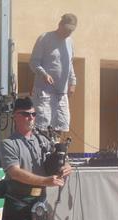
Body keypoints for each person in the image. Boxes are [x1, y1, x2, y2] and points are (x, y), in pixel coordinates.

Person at [29, 13, 78, 141]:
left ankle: (56, 150)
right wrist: (44, 74)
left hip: (61, 93)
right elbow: (34, 62)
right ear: (60, 25)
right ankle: (42, 151)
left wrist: (73, 82)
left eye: (71, 31)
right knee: (43, 124)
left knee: (61, 123)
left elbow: (70, 64)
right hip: (44, 91)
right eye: (66, 29)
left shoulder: (70, 42)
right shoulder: (45, 38)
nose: (68, 33)